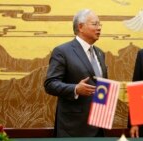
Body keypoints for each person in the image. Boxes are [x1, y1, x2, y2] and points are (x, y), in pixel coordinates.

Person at [44, 9, 108, 137]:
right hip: (73, 128)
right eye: (95, 24)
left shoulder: (100, 53)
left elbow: (100, 85)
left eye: (100, 24)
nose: (99, 28)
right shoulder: (62, 51)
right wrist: (75, 89)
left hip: (98, 125)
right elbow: (50, 84)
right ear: (80, 27)